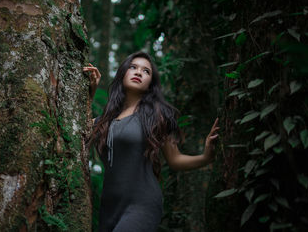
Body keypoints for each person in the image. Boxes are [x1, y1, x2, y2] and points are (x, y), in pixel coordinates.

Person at [83, 51, 219, 232]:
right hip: (108, 208)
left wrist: (205, 157)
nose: (138, 72)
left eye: (146, 71)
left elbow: (175, 160)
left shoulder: (158, 115)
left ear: (150, 84)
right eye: (133, 67)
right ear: (122, 73)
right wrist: (89, 94)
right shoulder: (104, 120)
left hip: (142, 205)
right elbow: (80, 131)